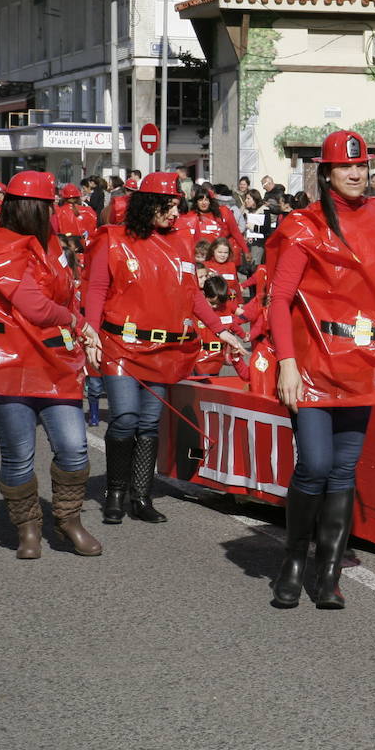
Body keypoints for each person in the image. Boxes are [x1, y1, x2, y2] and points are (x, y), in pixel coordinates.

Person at [267, 131, 375, 610]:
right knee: (315, 464)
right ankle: (293, 563)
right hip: (310, 367)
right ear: (326, 173)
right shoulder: (304, 226)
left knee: (344, 468)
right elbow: (279, 299)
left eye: (361, 167)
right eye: (345, 167)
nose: (355, 174)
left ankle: (328, 573)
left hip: (364, 363)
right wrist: (286, 362)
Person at [85, 173, 244, 525]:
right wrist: (91, 333)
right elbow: (96, 289)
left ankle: (140, 497)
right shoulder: (112, 239)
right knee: (124, 418)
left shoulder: (182, 242)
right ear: (147, 204)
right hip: (121, 344)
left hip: (164, 348)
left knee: (149, 422)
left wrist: (222, 329)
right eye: (168, 206)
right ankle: (114, 494)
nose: (175, 213)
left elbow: (191, 294)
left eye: (176, 205)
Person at [0, 170, 104, 558]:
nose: (55, 212)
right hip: (5, 363)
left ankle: (68, 519)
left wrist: (81, 330)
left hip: (53, 359)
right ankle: (28, 528)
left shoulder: (50, 243)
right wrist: (77, 323)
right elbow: (32, 304)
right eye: (50, 205)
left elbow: (68, 294)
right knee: (18, 454)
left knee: (74, 447)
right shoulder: (2, 245)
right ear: (33, 206)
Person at [176, 184, 250, 261]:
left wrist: (246, 250)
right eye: (200, 200)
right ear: (196, 202)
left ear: (210, 201)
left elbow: (236, 232)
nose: (203, 203)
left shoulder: (223, 212)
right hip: (200, 258)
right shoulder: (190, 217)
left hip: (220, 257)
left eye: (206, 200)